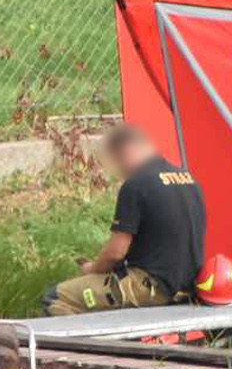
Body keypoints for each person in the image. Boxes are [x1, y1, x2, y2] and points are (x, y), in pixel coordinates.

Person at [41, 125, 205, 316]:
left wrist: (92, 269)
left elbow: (116, 253)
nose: (120, 170)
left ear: (127, 151)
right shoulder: (188, 178)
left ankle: (91, 346)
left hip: (150, 288)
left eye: (118, 162)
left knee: (57, 298)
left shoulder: (136, 185)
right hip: (187, 286)